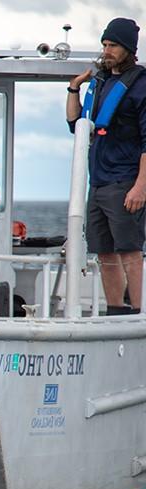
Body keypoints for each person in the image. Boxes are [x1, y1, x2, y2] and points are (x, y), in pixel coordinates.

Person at [67, 17, 146, 316]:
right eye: (104, 44)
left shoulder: (140, 86)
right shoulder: (101, 82)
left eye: (113, 45)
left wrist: (141, 186)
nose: (107, 50)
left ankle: (137, 310)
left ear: (128, 49)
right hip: (97, 181)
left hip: (125, 179)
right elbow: (76, 125)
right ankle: (115, 310)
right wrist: (74, 89)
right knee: (104, 249)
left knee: (129, 247)